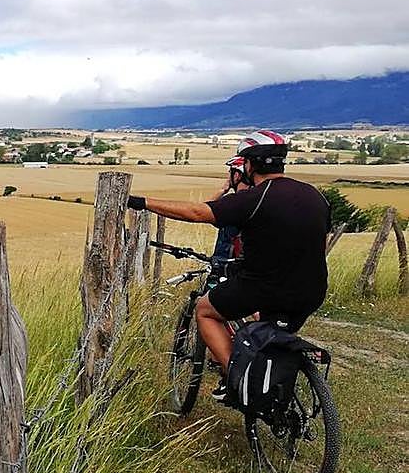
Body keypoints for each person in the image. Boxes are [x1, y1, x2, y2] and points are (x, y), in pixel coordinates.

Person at [127, 130, 330, 401]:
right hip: (312, 291)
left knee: (205, 311)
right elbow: (313, 242)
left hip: (265, 288)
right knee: (267, 334)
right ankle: (269, 384)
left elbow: (198, 212)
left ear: (249, 165)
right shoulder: (315, 196)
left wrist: (142, 202)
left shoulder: (255, 198)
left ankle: (237, 379)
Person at [210, 155, 248, 262]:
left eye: (230, 172)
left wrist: (222, 190)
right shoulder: (258, 199)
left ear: (237, 175)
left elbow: (204, 211)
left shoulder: (231, 202)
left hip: (226, 261)